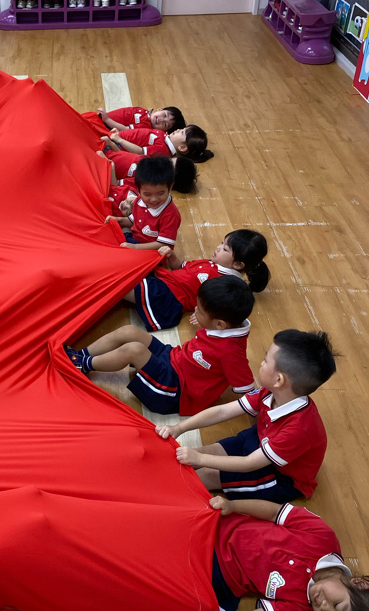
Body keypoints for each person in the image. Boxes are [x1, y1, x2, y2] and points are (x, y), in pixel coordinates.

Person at [157, 330, 336, 502]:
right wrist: (179, 428)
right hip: (259, 439)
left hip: (280, 476)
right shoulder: (269, 392)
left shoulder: (298, 429)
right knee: (200, 452)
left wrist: (200, 460)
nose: (261, 363)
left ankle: (160, 492)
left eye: (265, 360)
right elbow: (222, 411)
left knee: (207, 474)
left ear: (279, 380)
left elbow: (249, 463)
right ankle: (161, 473)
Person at [205, 495, 369, 611]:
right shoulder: (323, 537)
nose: (323, 607)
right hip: (223, 524)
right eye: (337, 605)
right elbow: (274, 512)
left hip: (219, 575)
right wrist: (233, 505)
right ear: (359, 583)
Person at [66, 276, 255, 416]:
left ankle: (82, 364)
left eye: (200, 310)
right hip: (172, 358)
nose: (195, 309)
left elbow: (247, 387)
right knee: (129, 331)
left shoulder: (231, 352)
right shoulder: (225, 326)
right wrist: (204, 318)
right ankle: (80, 355)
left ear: (220, 324)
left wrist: (257, 405)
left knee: (134, 350)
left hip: (172, 390)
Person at [130, 229, 269, 331]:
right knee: (133, 256)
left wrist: (203, 316)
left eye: (225, 249)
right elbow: (181, 266)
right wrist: (171, 256)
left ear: (238, 265)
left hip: (166, 295)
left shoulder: (227, 285)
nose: (218, 248)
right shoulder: (212, 263)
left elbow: (225, 313)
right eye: (221, 243)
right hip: (164, 278)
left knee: (124, 284)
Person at [120, 156, 181, 251]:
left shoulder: (171, 215)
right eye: (147, 194)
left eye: (160, 193)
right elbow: (133, 220)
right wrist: (117, 220)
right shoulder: (139, 200)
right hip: (133, 239)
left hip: (151, 252)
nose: (154, 199)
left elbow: (164, 245)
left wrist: (135, 247)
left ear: (170, 187)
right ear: (138, 190)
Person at [104, 124, 214, 163]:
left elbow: (139, 152)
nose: (178, 130)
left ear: (182, 147)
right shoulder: (164, 136)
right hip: (117, 137)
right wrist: (122, 133)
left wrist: (120, 140)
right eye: (182, 129)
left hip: (116, 146)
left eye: (182, 132)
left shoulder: (163, 150)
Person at [97, 105, 186, 132]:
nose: (162, 120)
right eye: (165, 115)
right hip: (101, 118)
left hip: (104, 125)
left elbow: (125, 129)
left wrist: (107, 120)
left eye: (166, 124)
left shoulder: (145, 127)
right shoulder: (145, 112)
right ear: (160, 109)